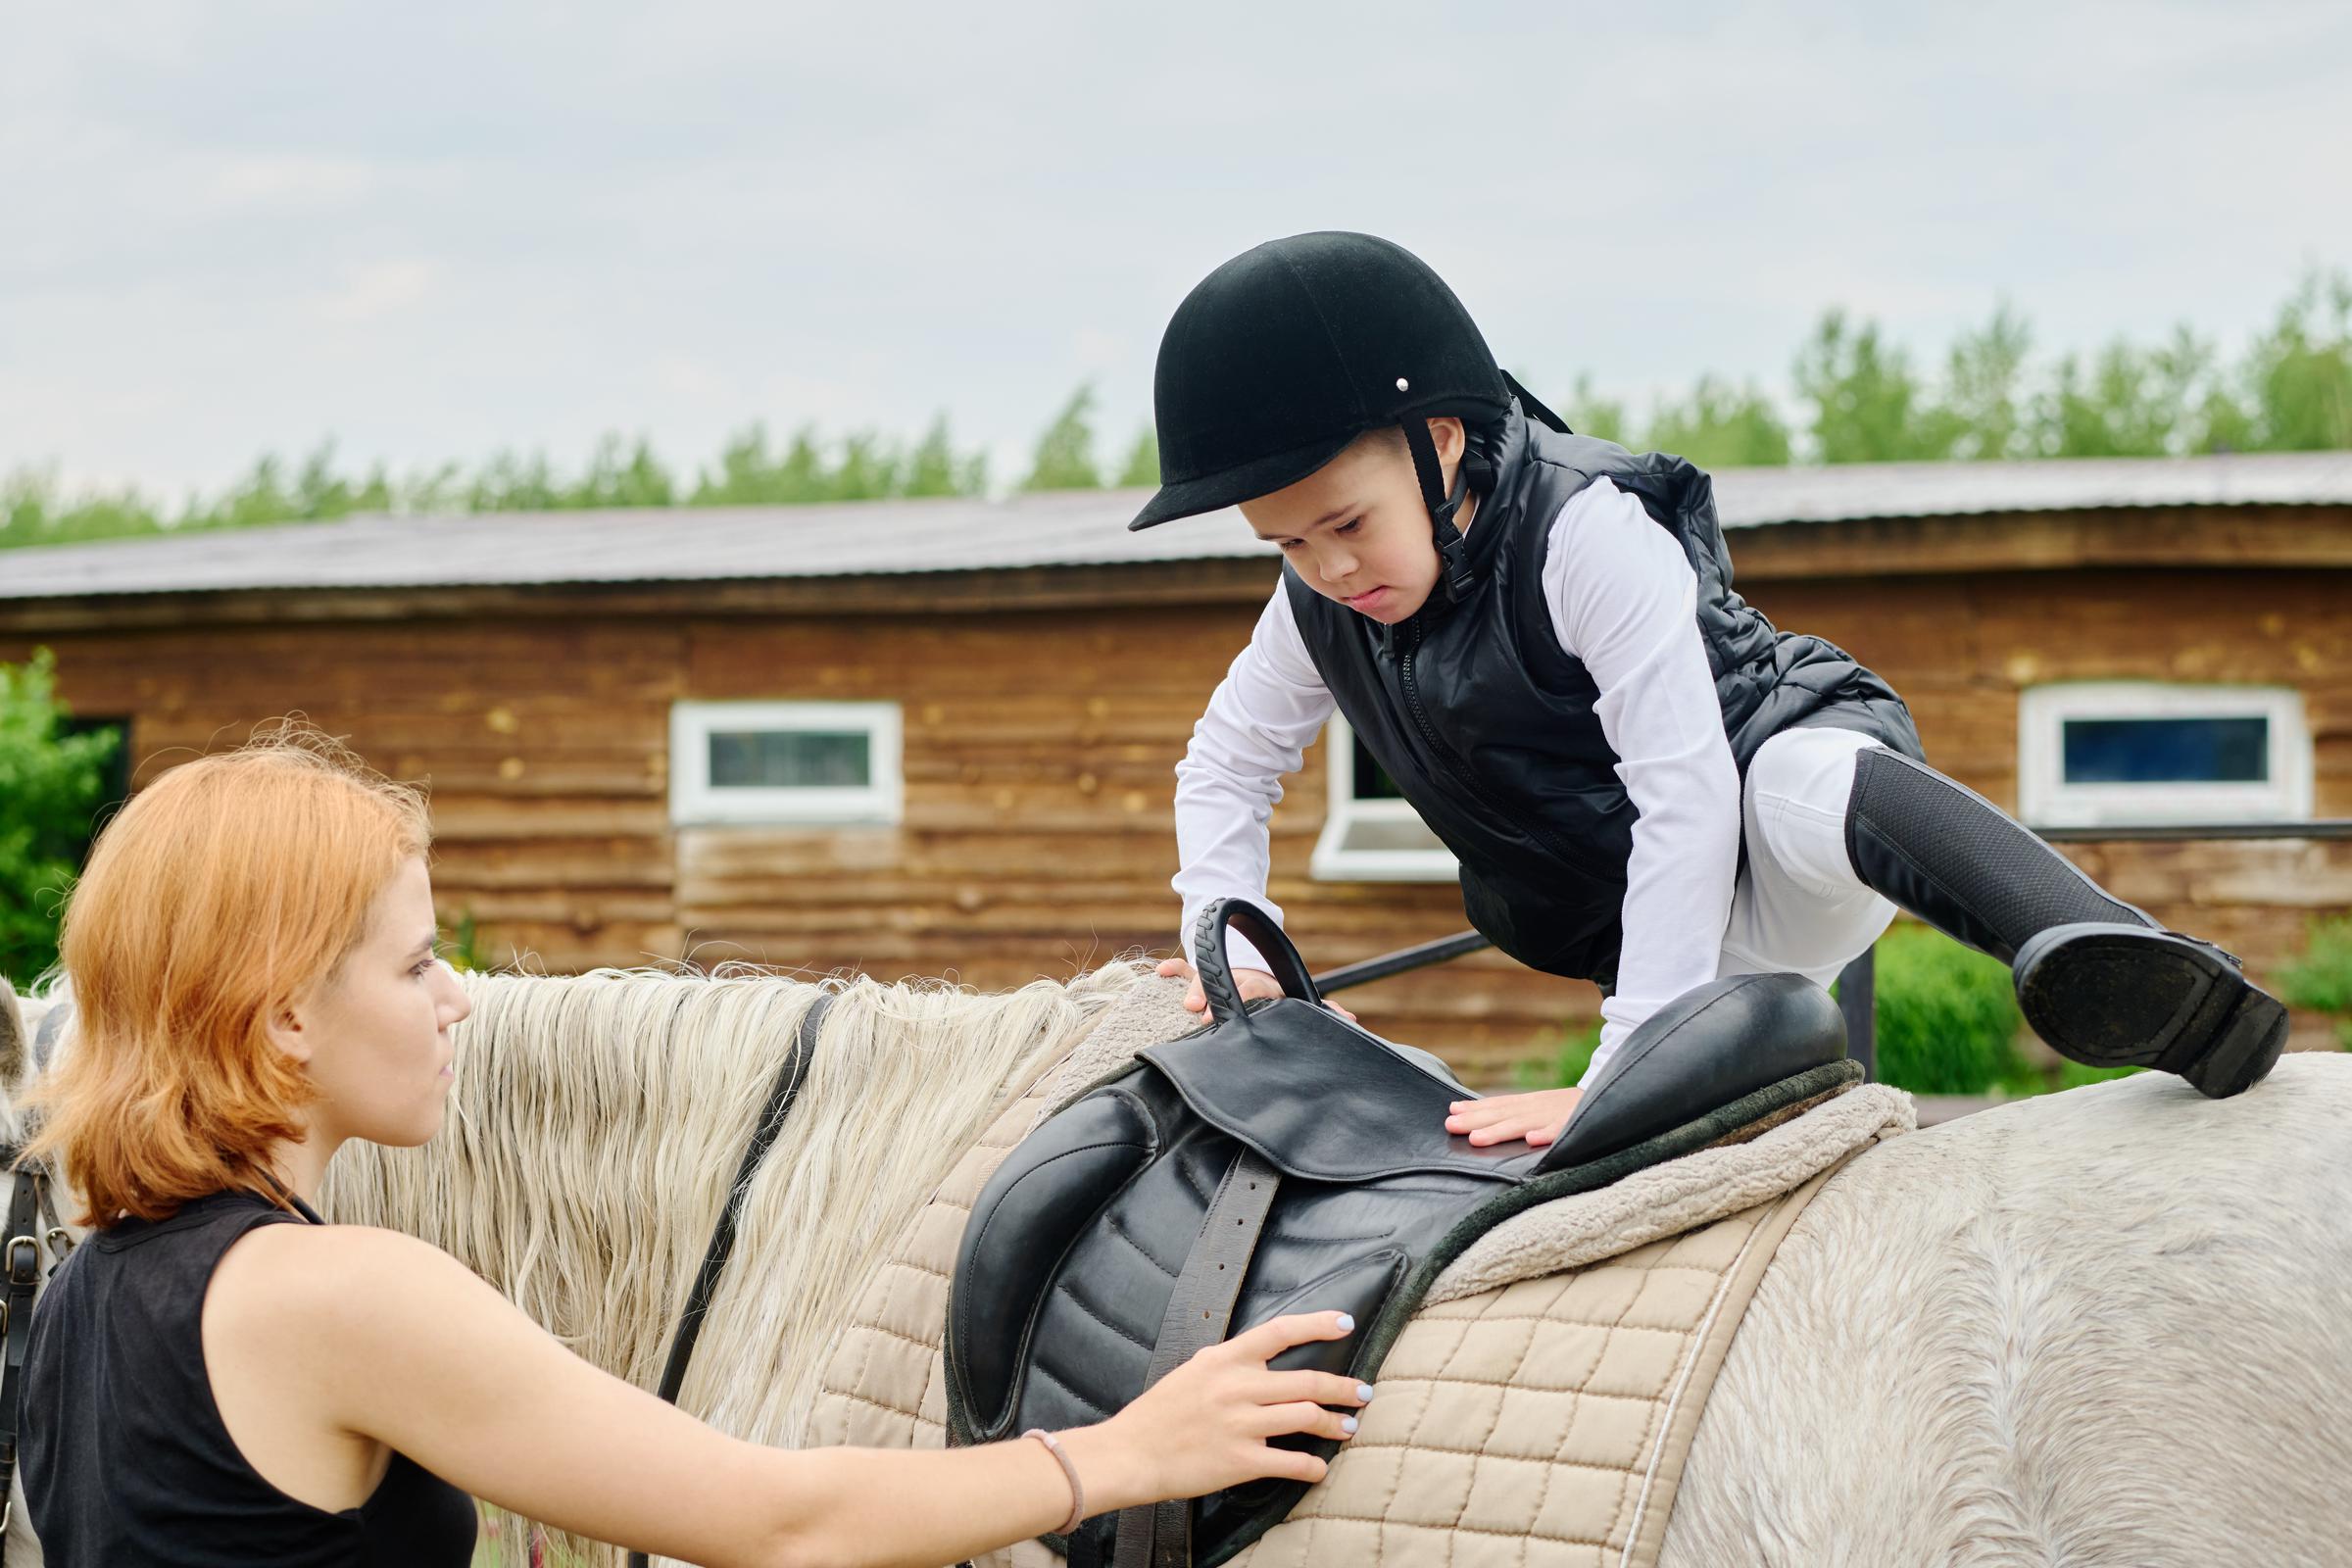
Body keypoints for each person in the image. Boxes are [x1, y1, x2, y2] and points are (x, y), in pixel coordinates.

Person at [18, 728, 1365, 1568]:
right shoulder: (337, 1292)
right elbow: (779, 1522)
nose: (458, 999)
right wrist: (1125, 1455)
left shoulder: (93, 1289)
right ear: (289, 1014)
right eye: (417, 962)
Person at [1145, 231, 2286, 1149]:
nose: (1332, 568)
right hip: (1662, 937)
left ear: (1440, 441)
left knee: (1783, 779)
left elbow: (1685, 794)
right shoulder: (1316, 605)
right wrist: (1232, 937)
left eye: (1347, 523)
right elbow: (1227, 763)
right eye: (1288, 542)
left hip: (1775, 841)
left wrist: (1622, 1076)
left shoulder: (1586, 535)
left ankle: (2114, 953)